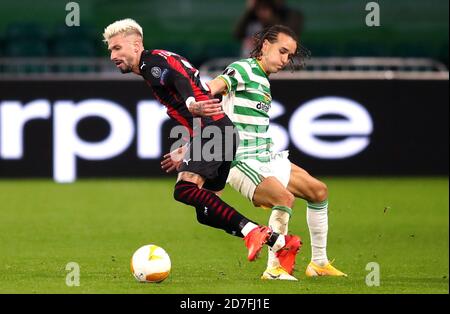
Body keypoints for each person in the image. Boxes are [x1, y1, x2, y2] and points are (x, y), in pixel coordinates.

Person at [102, 19, 301, 272]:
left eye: (117, 48)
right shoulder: (158, 59)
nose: (112, 55)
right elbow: (187, 82)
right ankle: (279, 241)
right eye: (110, 50)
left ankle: (256, 232)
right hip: (219, 133)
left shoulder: (149, 62)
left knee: (184, 190)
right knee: (205, 211)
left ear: (136, 44)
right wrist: (189, 146)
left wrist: (190, 103)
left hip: (215, 132)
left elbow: (178, 79)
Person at [162, 25, 346, 281]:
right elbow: (209, 92)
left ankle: (319, 263)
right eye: (282, 51)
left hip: (267, 156)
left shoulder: (262, 79)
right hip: (241, 159)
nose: (285, 60)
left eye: (289, 56)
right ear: (265, 46)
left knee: (319, 192)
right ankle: (274, 269)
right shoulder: (243, 69)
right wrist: (197, 143)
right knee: (284, 199)